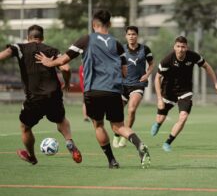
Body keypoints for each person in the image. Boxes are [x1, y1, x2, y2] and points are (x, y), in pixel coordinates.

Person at [36, 9, 151, 168]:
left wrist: (49, 63)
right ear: (109, 24)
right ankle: (139, 144)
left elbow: (64, 60)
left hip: (93, 91)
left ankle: (112, 161)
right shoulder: (117, 44)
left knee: (98, 125)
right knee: (119, 126)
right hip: (114, 91)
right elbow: (125, 71)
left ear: (93, 24)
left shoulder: (86, 40)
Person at [0, 24, 82, 165]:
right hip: (53, 95)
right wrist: (67, 83)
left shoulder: (19, 48)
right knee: (61, 120)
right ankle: (69, 142)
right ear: (42, 38)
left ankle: (32, 156)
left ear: (28, 37)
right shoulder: (51, 50)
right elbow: (66, 68)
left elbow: (3, 55)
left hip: (34, 98)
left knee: (25, 127)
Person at [150, 36, 217, 152]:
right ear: (174, 47)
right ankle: (158, 124)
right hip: (168, 91)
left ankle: (167, 142)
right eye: (178, 46)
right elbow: (157, 78)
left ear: (186, 47)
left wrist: (216, 84)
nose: (180, 49)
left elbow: (207, 67)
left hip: (185, 91)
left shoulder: (193, 56)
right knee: (160, 118)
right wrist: (159, 99)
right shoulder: (167, 60)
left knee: (183, 117)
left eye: (183, 47)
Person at [112, 26, 154, 148]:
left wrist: (147, 74)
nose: (131, 36)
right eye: (129, 34)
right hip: (122, 85)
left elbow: (151, 64)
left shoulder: (145, 49)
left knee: (131, 109)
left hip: (137, 84)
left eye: (134, 34)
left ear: (137, 36)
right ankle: (117, 135)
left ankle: (126, 137)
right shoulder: (121, 49)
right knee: (116, 112)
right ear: (126, 36)